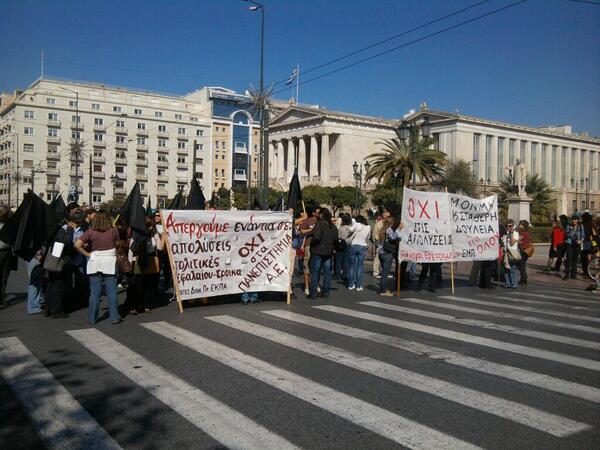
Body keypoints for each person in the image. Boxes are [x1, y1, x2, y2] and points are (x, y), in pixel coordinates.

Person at [75, 211, 122, 325]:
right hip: (110, 262)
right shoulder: (113, 230)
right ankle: (114, 317)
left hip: (95, 261)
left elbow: (77, 244)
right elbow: (118, 244)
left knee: (95, 291)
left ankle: (92, 318)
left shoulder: (91, 231)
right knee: (112, 291)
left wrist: (87, 254)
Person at [130, 216, 164, 313]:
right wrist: (130, 262)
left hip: (151, 260)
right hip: (138, 261)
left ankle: (146, 304)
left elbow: (160, 248)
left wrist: (164, 238)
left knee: (149, 284)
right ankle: (136, 305)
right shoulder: (137, 234)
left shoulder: (155, 234)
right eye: (148, 226)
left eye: (152, 226)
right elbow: (131, 249)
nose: (150, 228)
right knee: (138, 284)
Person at [308, 208, 338, 299]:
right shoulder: (333, 226)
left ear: (321, 215)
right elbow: (335, 238)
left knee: (315, 272)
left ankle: (313, 292)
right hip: (328, 252)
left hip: (317, 250)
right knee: (327, 272)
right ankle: (326, 291)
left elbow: (316, 237)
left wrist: (312, 244)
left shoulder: (319, 224)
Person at [298, 206, 319, 295]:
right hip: (309, 245)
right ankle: (306, 287)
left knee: (317, 267)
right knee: (307, 266)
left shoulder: (322, 221)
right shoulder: (308, 221)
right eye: (318, 212)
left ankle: (316, 285)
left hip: (319, 246)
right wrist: (312, 230)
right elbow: (301, 231)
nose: (320, 213)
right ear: (314, 213)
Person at [378, 216, 401, 296]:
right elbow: (395, 237)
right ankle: (383, 291)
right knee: (385, 273)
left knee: (383, 272)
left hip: (381, 253)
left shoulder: (382, 229)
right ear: (392, 222)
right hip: (387, 253)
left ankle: (383, 289)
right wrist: (399, 229)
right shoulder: (389, 229)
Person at [347, 215, 371, 291]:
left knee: (352, 266)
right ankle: (358, 286)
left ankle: (350, 285)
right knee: (360, 267)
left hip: (354, 245)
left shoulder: (356, 224)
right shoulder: (368, 227)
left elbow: (349, 229)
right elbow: (368, 237)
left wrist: (353, 223)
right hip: (362, 246)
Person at [0, 205, 15, 305]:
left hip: (7, 251)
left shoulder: (9, 223)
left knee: (5, 275)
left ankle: (2, 297)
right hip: (1, 251)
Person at [563, 214, 584, 280]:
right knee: (568, 259)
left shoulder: (581, 226)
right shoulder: (568, 226)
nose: (574, 221)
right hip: (569, 244)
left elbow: (583, 236)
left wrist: (580, 241)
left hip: (577, 244)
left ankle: (573, 274)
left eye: (575, 219)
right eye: (573, 219)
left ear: (578, 220)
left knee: (575, 260)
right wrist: (573, 229)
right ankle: (567, 275)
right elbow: (567, 235)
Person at [27, 249, 47, 314]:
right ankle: (34, 307)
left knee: (37, 281)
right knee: (35, 282)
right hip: (35, 257)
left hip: (31, 256)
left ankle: (38, 303)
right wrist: (38, 254)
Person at [503, 219, 521, 288]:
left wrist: (511, 234)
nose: (508, 227)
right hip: (506, 253)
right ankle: (507, 283)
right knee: (506, 269)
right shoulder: (506, 234)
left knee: (512, 269)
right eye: (506, 226)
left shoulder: (515, 233)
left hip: (512, 253)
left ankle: (514, 283)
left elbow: (512, 243)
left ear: (513, 226)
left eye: (510, 226)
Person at [334, 213, 352, 281]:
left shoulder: (341, 228)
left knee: (338, 260)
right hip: (348, 244)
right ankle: (345, 274)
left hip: (340, 244)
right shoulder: (350, 228)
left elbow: (338, 236)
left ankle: (337, 274)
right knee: (346, 261)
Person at [371, 210, 385, 279]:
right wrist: (375, 242)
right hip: (379, 242)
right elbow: (374, 234)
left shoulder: (386, 224)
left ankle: (384, 272)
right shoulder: (378, 224)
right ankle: (375, 272)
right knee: (377, 258)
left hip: (385, 243)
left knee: (384, 259)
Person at [518, 220, 532, 284]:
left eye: (520, 224)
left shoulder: (523, 233)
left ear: (523, 226)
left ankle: (523, 279)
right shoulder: (528, 232)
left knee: (521, 265)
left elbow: (517, 240)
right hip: (526, 251)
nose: (519, 225)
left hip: (523, 250)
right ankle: (524, 278)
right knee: (522, 265)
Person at [581, 213, 593, 278]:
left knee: (583, 257)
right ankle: (588, 272)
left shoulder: (583, 224)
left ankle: (585, 271)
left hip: (585, 242)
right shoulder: (591, 224)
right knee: (588, 256)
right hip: (590, 242)